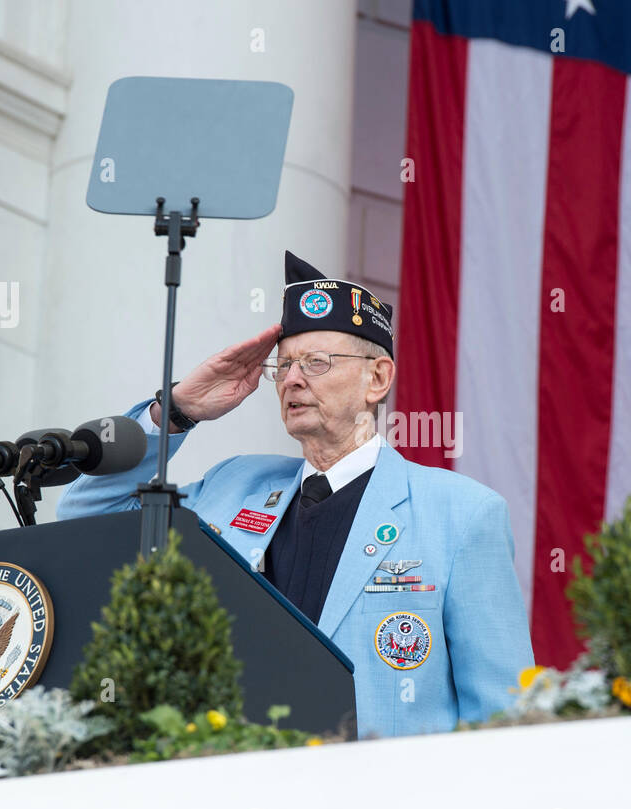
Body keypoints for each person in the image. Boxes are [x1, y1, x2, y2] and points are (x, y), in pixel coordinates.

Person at [57, 251, 533, 738]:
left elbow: (504, 719)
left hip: (380, 805)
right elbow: (86, 517)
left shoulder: (461, 515)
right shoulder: (235, 484)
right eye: (282, 367)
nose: (293, 379)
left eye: (317, 363)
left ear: (378, 378)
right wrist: (176, 411)